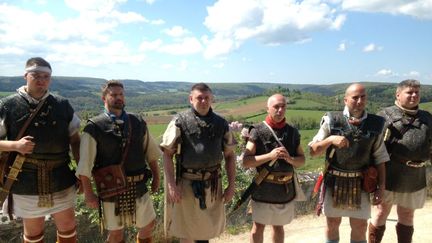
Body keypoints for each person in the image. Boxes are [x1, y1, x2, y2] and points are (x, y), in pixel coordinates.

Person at [0, 57, 80, 243]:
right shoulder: (8, 105)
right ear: (25, 76)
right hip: (24, 177)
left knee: (68, 228)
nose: (41, 80)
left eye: (46, 76)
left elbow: (75, 141)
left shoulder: (62, 105)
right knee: (33, 233)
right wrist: (15, 145)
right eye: (36, 75)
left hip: (61, 176)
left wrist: (81, 171)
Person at [77, 80, 160, 243]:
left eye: (121, 94)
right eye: (113, 95)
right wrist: (88, 193)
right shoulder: (94, 127)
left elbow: (150, 152)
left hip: (139, 186)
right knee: (116, 234)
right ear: (104, 98)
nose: (118, 98)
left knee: (149, 224)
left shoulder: (137, 122)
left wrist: (156, 177)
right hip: (111, 189)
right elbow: (85, 165)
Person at [309, 83, 389, 243]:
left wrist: (381, 187)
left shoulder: (375, 124)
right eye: (355, 97)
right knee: (332, 224)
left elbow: (380, 158)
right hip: (334, 181)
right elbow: (313, 151)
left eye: (363, 97)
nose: (360, 101)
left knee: (360, 227)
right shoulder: (331, 120)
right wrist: (331, 139)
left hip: (362, 183)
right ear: (345, 100)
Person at [160, 82, 236, 243]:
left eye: (206, 98)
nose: (203, 101)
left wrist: (231, 185)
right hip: (187, 185)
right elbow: (167, 154)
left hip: (213, 185)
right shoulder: (179, 122)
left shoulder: (221, 124)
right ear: (190, 99)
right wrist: (172, 186)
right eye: (199, 98)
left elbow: (230, 155)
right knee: (187, 233)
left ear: (211, 99)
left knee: (206, 232)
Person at [369, 79, 432, 243]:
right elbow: (374, 148)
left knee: (407, 215)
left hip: (415, 175)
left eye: (417, 92)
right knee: (381, 212)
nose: (414, 96)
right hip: (389, 173)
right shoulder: (385, 115)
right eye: (409, 92)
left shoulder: (427, 118)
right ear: (398, 94)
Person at [242, 94, 306, 243]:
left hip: (284, 190)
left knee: (278, 227)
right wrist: (270, 156)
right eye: (276, 107)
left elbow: (301, 160)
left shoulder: (293, 132)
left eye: (283, 106)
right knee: (258, 227)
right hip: (263, 187)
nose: (280, 110)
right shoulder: (257, 131)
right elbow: (246, 161)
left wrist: (290, 159)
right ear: (268, 109)